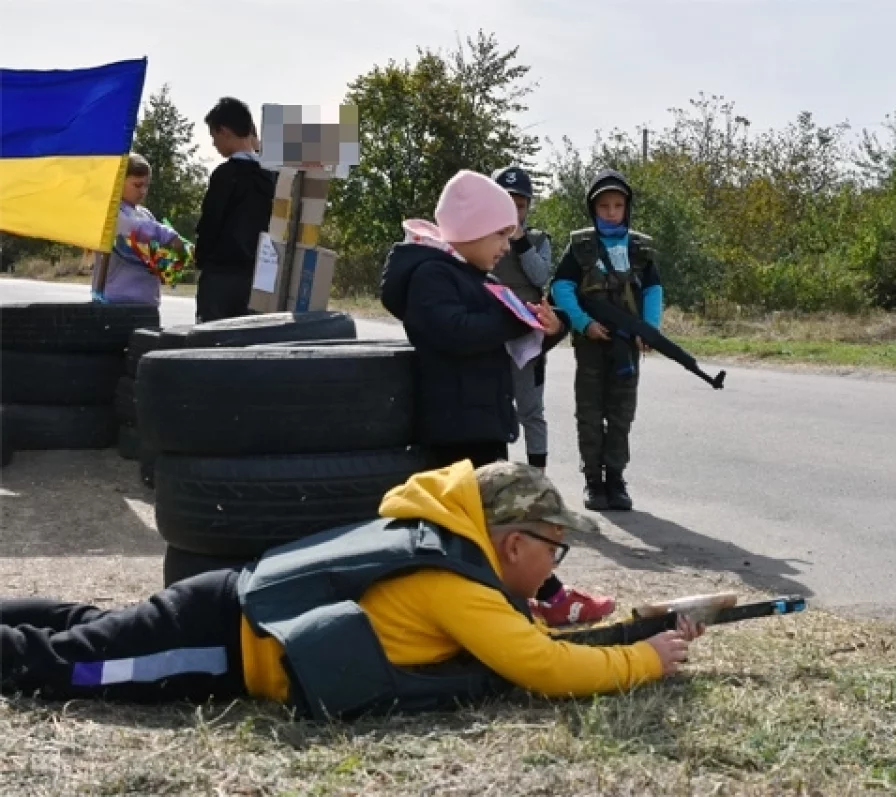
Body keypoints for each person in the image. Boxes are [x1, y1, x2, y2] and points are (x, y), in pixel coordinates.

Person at [1, 461, 704, 716]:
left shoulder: (448, 550)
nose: (557, 563)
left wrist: (639, 631)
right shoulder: (455, 586)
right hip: (218, 644)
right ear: (513, 543)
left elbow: (530, 641)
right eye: (556, 547)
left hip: (221, 609)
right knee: (63, 664)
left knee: (85, 623)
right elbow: (544, 666)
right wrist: (645, 661)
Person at [380, 169, 617, 627]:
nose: (506, 245)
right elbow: (455, 334)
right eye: (500, 234)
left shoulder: (470, 275)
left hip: (481, 418)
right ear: (469, 229)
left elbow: (506, 346)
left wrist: (547, 330)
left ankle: (533, 595)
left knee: (499, 520)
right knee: (490, 522)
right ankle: (535, 597)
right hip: (454, 425)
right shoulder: (433, 275)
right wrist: (513, 322)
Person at [550, 169, 663, 512]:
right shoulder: (581, 246)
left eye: (617, 205)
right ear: (593, 209)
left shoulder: (639, 248)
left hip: (627, 344)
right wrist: (584, 324)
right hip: (592, 345)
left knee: (621, 414)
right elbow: (561, 288)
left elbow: (653, 290)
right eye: (604, 206)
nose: (611, 212)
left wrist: (649, 329)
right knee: (589, 411)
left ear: (627, 208)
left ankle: (615, 478)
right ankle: (593, 481)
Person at [491, 165, 554, 471]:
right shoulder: (481, 239)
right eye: (506, 203)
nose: (514, 211)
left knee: (530, 410)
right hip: (488, 334)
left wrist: (520, 241)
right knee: (492, 408)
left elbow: (540, 275)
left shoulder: (539, 240)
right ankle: (496, 474)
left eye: (520, 205)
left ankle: (537, 478)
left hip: (526, 339)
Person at [193, 97, 275, 323]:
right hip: (259, 278)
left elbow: (211, 223)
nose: (214, 144)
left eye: (214, 136)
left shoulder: (225, 175)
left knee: (210, 342)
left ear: (225, 131)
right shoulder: (272, 178)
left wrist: (200, 258)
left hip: (221, 277)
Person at [90, 153, 186, 306]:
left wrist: (173, 262)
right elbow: (135, 229)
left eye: (146, 185)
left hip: (147, 301)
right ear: (119, 181)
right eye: (137, 185)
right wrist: (169, 235)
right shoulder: (111, 213)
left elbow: (155, 250)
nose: (142, 191)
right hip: (114, 300)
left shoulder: (145, 214)